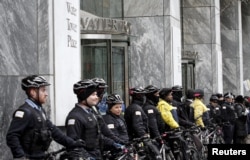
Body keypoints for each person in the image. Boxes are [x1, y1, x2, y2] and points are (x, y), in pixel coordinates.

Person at [6, 75, 84, 159]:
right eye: (43, 90)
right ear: (33, 92)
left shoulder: (39, 111)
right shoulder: (25, 112)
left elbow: (54, 131)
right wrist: (20, 156)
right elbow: (12, 136)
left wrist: (72, 143)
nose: (46, 94)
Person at [65, 79, 121, 160]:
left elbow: (98, 136)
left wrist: (114, 144)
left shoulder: (91, 113)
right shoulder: (74, 117)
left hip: (97, 155)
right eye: (93, 95)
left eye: (96, 94)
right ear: (84, 96)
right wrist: (87, 157)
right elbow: (73, 146)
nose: (96, 97)